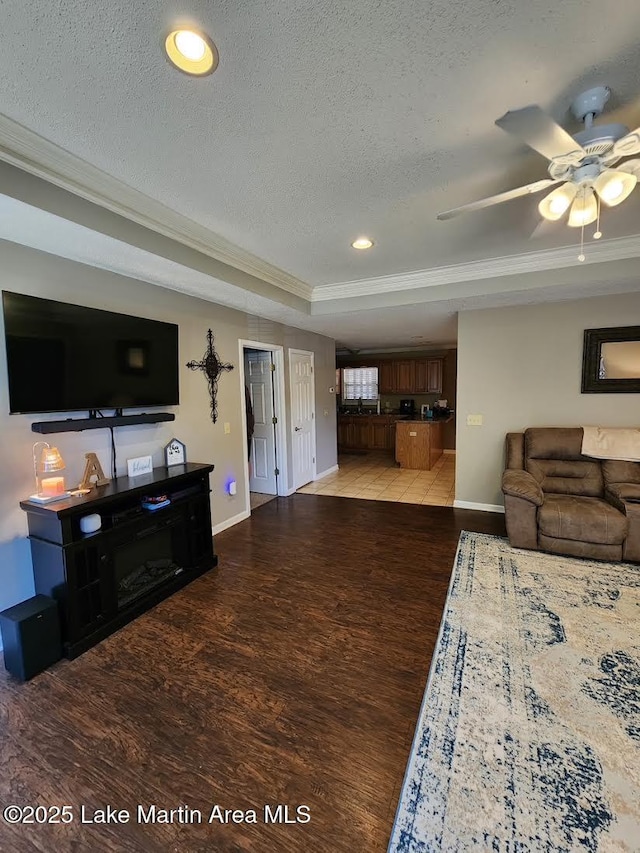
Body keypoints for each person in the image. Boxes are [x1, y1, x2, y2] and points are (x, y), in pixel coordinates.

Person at [245, 385, 255, 462]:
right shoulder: (244, 389)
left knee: (246, 460)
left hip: (248, 431)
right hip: (248, 430)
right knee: (246, 460)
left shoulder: (244, 389)